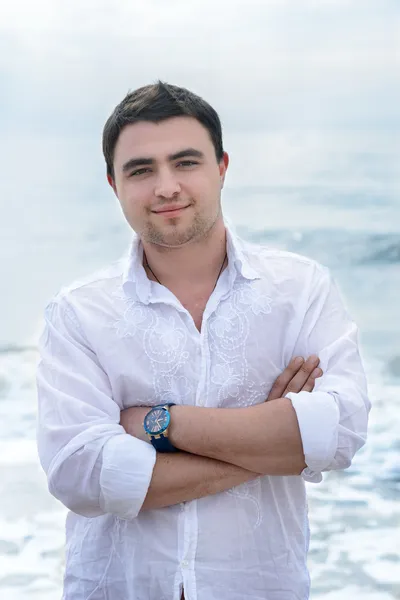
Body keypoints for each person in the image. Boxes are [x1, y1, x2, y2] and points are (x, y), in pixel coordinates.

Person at [36, 81, 370, 600]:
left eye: (186, 162)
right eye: (141, 170)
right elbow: (83, 475)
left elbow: (343, 431)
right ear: (113, 184)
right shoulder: (79, 312)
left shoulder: (300, 290)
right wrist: (271, 441)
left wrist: (159, 424)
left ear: (222, 167)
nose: (166, 186)